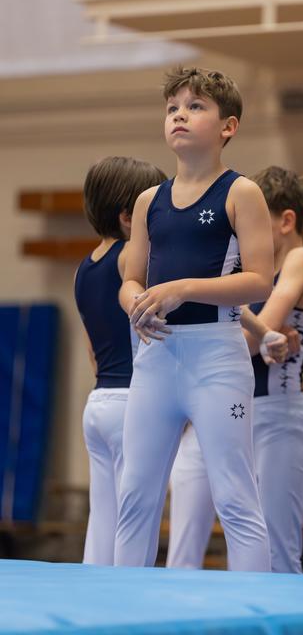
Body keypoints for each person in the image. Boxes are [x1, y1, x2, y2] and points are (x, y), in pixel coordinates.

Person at [115, 66, 275, 571]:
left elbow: (260, 281)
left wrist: (184, 289)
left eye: (195, 106)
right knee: (135, 498)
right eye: (172, 108)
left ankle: (258, 617)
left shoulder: (241, 192)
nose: (180, 115)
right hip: (157, 355)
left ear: (228, 126)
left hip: (215, 355)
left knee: (235, 498)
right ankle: (117, 615)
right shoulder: (148, 201)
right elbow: (130, 278)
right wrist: (135, 303)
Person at [167, 166, 303, 573]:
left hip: (277, 414)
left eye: (258, 219)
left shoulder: (301, 259)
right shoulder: (247, 269)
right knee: (187, 540)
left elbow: (256, 338)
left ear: (286, 221)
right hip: (227, 409)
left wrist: (240, 327)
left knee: (277, 549)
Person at [74, 156, 166, 565]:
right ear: (130, 217)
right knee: (136, 520)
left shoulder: (85, 267)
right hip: (132, 403)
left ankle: (93, 603)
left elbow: (93, 351)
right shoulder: (132, 256)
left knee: (104, 518)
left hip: (98, 405)